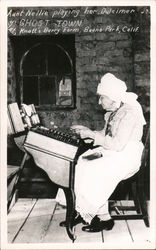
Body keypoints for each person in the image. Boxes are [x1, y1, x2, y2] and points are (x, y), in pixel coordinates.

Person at [68, 72, 146, 232]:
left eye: (102, 97)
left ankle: (104, 219)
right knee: (81, 161)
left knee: (95, 168)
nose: (99, 101)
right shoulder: (114, 111)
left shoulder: (129, 112)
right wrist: (89, 131)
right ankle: (82, 210)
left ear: (113, 96)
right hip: (116, 151)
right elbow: (105, 135)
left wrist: (92, 136)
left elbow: (117, 144)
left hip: (127, 154)